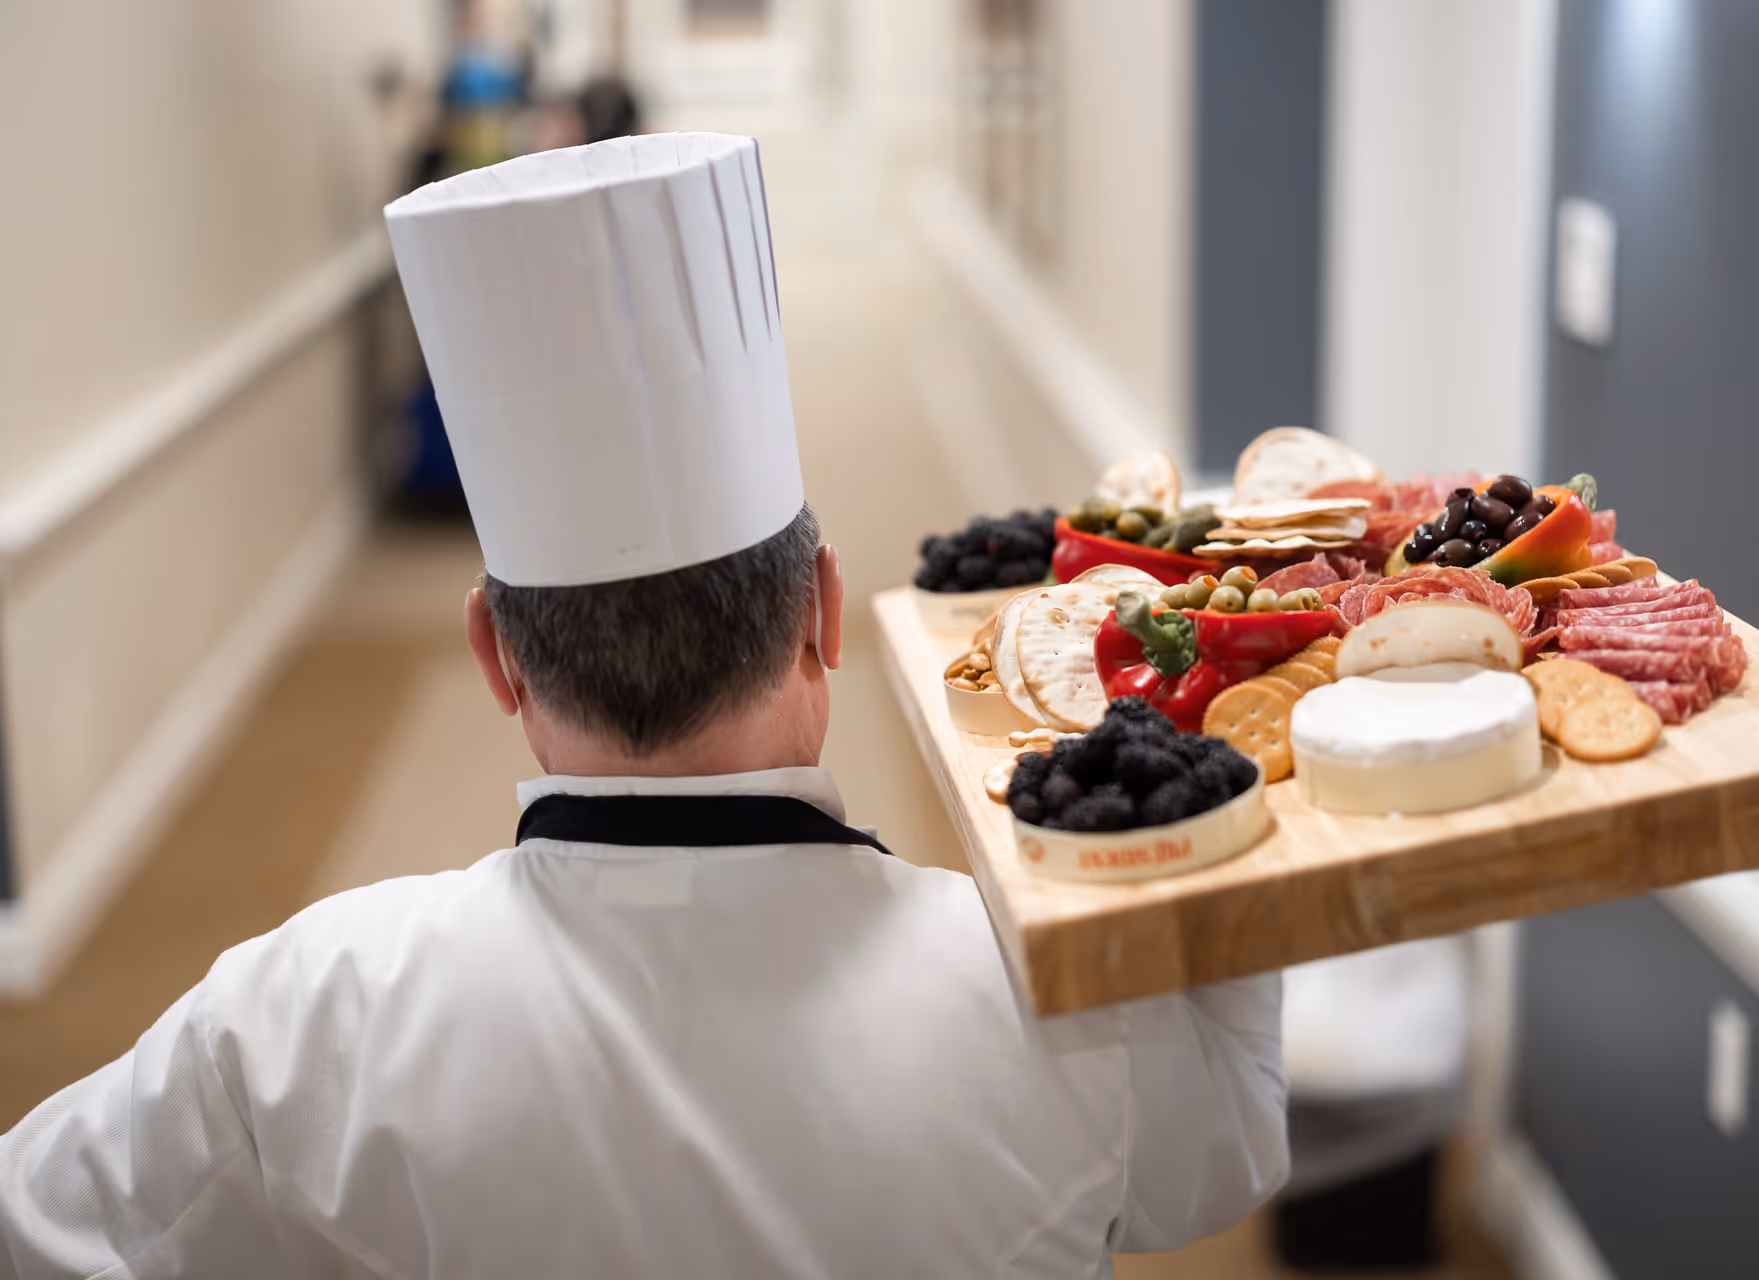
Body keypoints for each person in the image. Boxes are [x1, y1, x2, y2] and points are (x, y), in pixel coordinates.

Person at [0, 133, 1288, 1279]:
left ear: (493, 659)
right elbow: (1230, 1136)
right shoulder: (1046, 1005)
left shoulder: (301, 1020)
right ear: (823, 615)